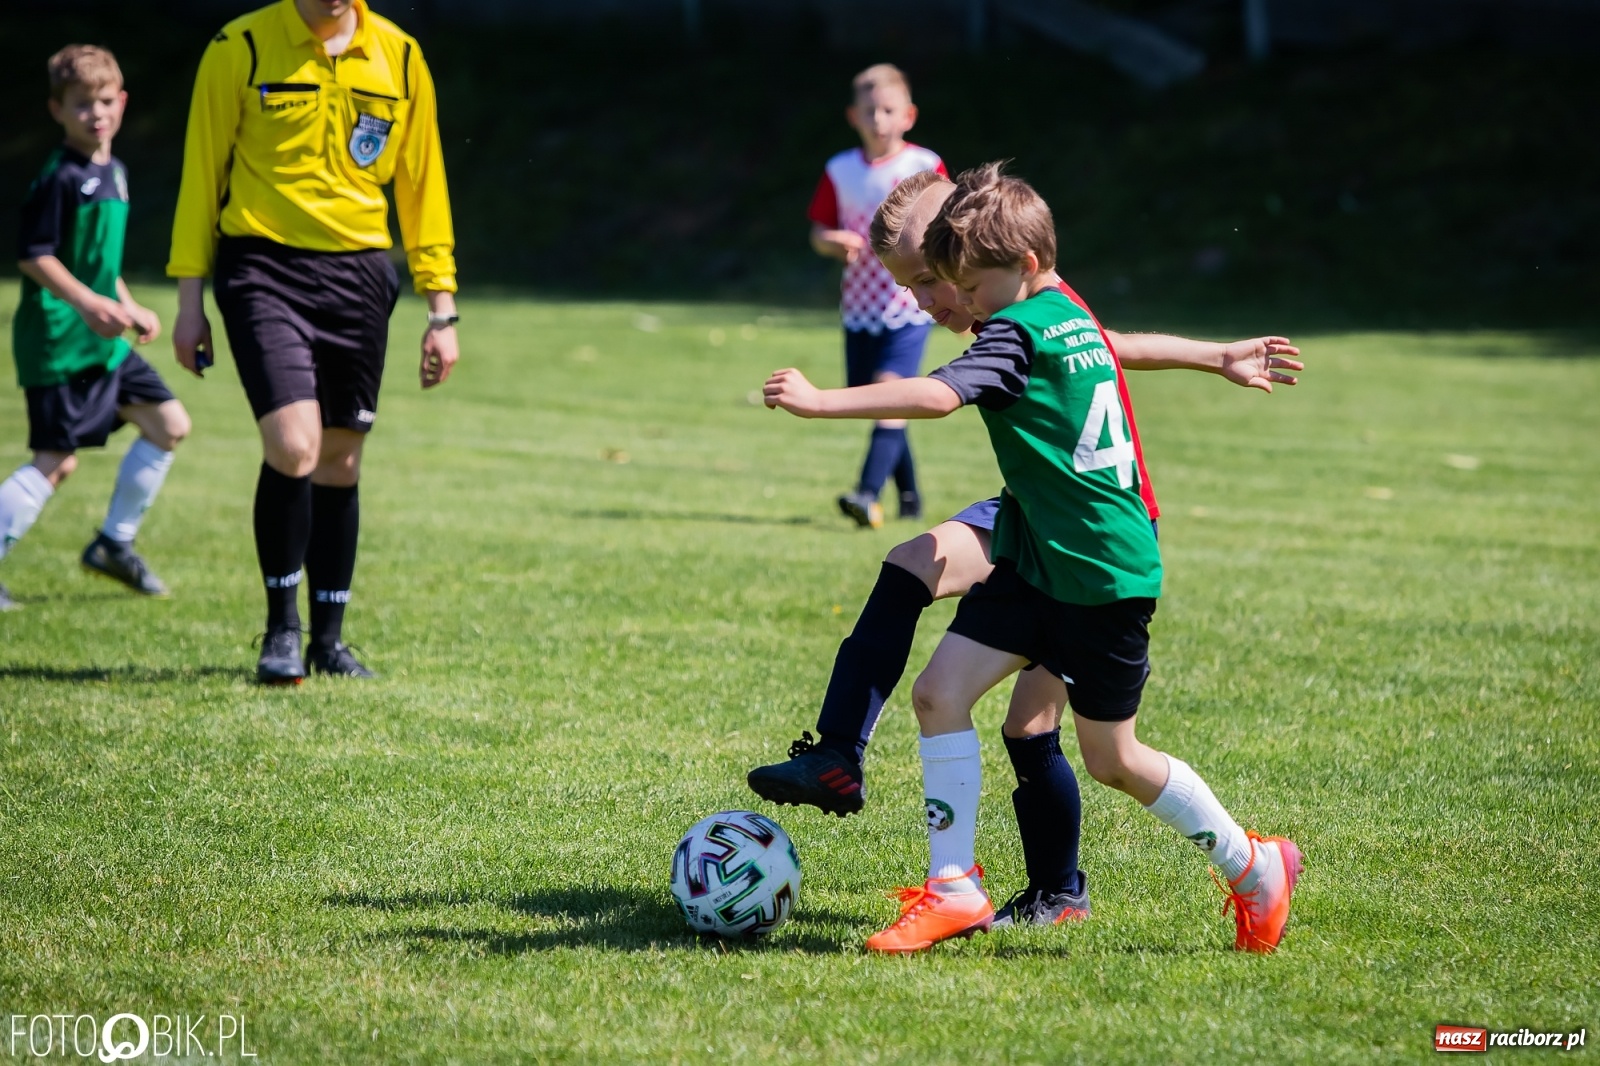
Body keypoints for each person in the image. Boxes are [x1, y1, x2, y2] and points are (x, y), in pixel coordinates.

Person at [762, 163, 1302, 954]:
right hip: (1038, 550)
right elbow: (1108, 347)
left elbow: (939, 397)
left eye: (950, 280)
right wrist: (1214, 354)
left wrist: (820, 401)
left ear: (1013, 265)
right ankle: (953, 887)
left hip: (1096, 573)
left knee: (1111, 758)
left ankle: (1253, 862)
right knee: (941, 692)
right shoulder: (1056, 304)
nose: (946, 299)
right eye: (929, 282)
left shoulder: (1013, 329)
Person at [167, 0, 460, 683]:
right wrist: (190, 301)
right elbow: (201, 175)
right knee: (294, 444)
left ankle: (328, 641)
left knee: (340, 461)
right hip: (261, 266)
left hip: (358, 270)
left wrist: (440, 309)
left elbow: (423, 186)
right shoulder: (238, 46)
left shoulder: (402, 54)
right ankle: (281, 630)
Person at [1, 45, 190, 612]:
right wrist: (88, 305)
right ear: (57, 109)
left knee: (169, 425)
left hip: (102, 338)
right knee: (56, 462)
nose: (96, 113)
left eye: (105, 101)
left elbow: (99, 265)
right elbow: (35, 256)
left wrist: (128, 307)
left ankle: (113, 543)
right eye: (81, 104)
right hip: (60, 340)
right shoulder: (59, 178)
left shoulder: (117, 172)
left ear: (123, 102)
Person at [807, 64, 947, 530]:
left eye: (888, 110)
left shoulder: (924, 166)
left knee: (889, 392)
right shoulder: (840, 170)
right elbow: (818, 232)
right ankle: (909, 495)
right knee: (879, 398)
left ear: (908, 115)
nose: (879, 120)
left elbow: (947, 224)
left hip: (910, 304)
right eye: (870, 111)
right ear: (853, 116)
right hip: (860, 307)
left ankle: (866, 494)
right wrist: (833, 243)